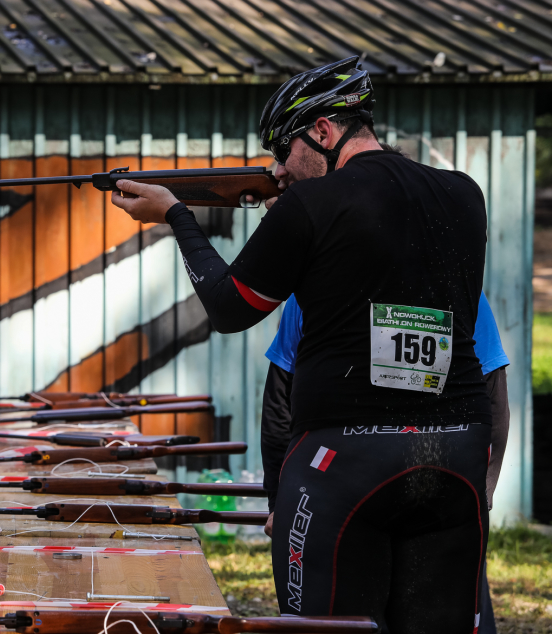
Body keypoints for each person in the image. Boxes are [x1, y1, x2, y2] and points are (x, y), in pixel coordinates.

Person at [110, 56, 491, 633]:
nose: (278, 169)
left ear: (323, 131)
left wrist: (177, 217)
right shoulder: (464, 194)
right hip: (456, 449)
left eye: (283, 150)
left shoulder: (311, 205)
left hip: (346, 460)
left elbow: (229, 308)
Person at [261, 291, 509, 634]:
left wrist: (280, 502)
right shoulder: (460, 284)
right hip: (437, 473)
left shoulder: (313, 285)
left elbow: (279, 397)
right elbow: (494, 392)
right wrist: (484, 486)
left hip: (349, 481)